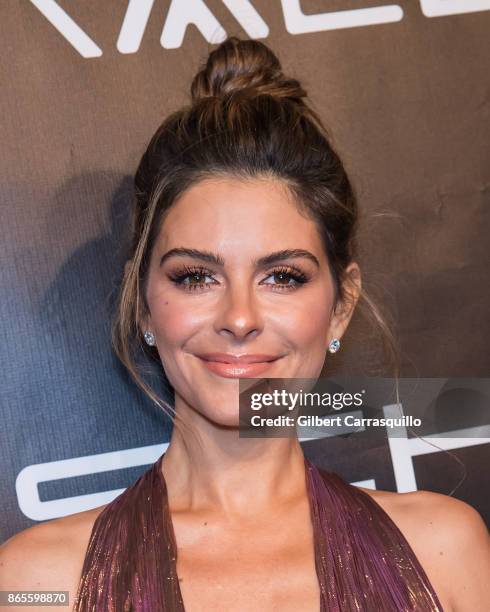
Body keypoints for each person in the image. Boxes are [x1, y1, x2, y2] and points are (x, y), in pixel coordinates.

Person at [1, 36, 489, 612]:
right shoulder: (38, 584)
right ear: (141, 302)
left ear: (341, 304)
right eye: (194, 276)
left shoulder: (446, 555)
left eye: (282, 276)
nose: (238, 318)